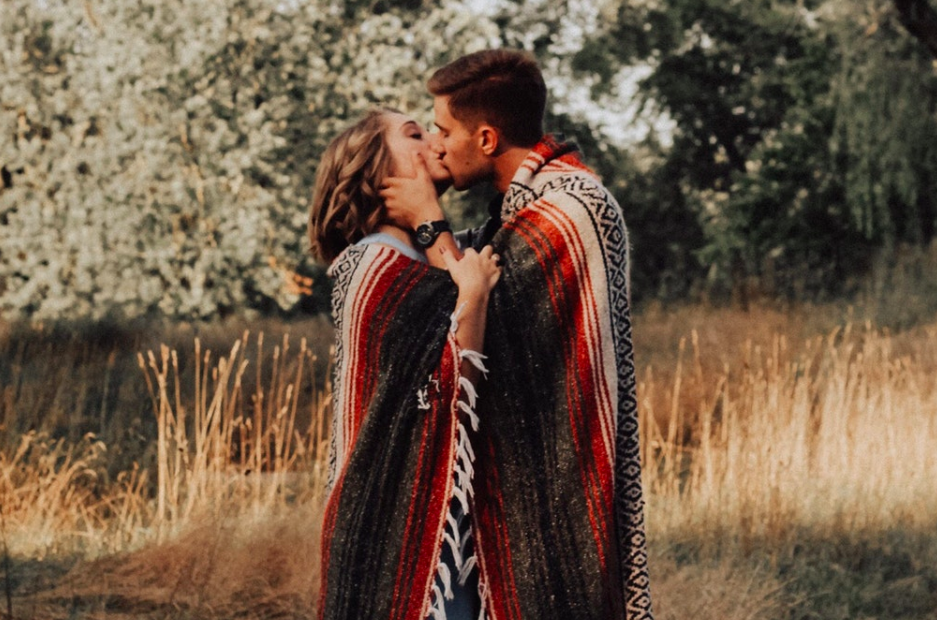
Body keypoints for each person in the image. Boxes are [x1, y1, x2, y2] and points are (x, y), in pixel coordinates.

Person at [381, 49, 654, 619]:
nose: (434, 144)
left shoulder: (567, 210)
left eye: (442, 129)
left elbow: (471, 316)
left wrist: (429, 220)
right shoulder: (517, 208)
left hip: (558, 480)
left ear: (485, 139)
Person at [309, 108, 500, 620]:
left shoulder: (435, 253)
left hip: (447, 523)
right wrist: (474, 298)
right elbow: (455, 385)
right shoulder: (372, 264)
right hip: (397, 522)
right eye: (415, 134)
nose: (437, 141)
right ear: (376, 173)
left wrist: (429, 225)